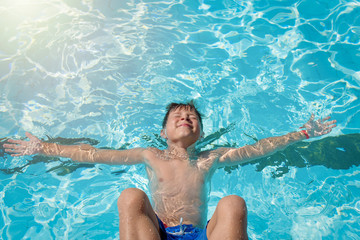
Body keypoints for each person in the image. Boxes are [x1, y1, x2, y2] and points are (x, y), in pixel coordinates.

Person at [4, 102, 337, 240]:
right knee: (131, 197)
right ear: (163, 132)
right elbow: (96, 155)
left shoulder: (211, 157)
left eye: (192, 117)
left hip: (201, 234)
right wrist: (45, 148)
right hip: (158, 233)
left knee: (233, 203)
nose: (185, 118)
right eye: (177, 115)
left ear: (201, 133)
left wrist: (303, 133)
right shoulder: (151, 155)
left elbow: (261, 147)